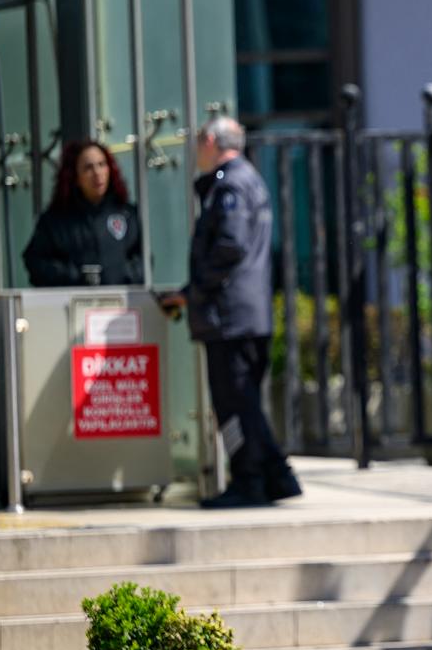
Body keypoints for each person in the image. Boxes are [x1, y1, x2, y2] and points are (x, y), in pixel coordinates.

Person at [160, 116, 301, 509]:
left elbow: (229, 246)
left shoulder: (230, 184)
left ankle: (249, 482)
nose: (195, 152)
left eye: (198, 142)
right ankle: (277, 475)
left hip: (230, 317)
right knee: (247, 400)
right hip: (244, 314)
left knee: (234, 403)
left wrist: (194, 289)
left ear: (210, 140)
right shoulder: (248, 179)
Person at [23, 140, 143, 287]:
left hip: (122, 305)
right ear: (75, 177)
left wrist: (121, 276)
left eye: (101, 164)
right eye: (88, 168)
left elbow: (143, 259)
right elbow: (36, 262)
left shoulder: (127, 214)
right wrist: (75, 277)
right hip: (72, 305)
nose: (97, 173)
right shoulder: (56, 221)